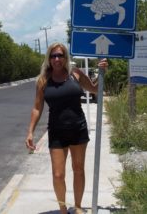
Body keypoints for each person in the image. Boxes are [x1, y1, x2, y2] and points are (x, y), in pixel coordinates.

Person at [25, 42, 108, 214]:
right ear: (49, 58)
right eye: (53, 56)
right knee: (58, 175)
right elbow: (37, 107)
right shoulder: (43, 81)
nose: (56, 59)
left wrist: (102, 73)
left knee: (78, 170)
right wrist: (30, 132)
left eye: (60, 55)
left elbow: (94, 89)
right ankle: (63, 209)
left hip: (78, 128)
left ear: (65, 57)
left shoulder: (75, 74)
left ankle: (77, 207)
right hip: (56, 132)